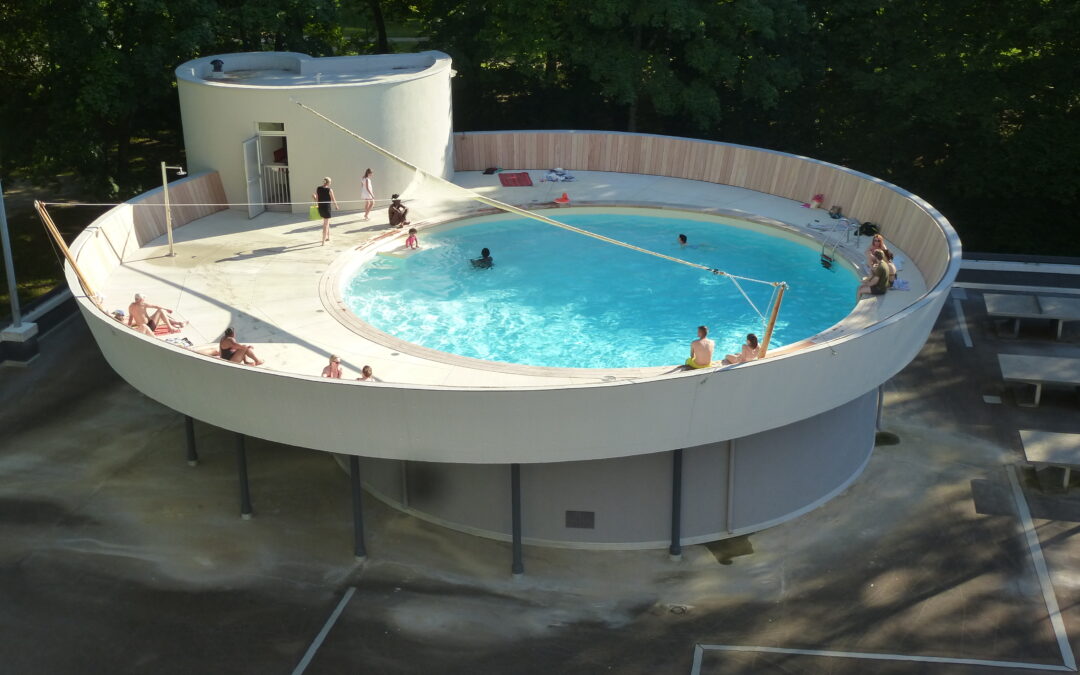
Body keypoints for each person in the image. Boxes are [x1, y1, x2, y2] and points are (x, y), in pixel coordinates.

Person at [312, 177, 340, 245]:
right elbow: (333, 199)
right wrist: (336, 206)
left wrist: (314, 197)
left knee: (327, 222)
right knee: (326, 224)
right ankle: (323, 241)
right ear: (329, 182)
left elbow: (317, 200)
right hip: (326, 208)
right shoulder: (329, 190)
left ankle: (328, 237)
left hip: (321, 208)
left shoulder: (318, 188)